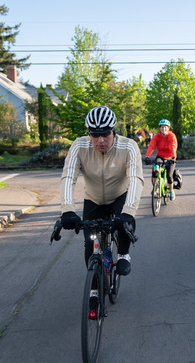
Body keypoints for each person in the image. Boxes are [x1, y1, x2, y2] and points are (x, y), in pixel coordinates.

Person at [60, 106, 144, 276]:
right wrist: (67, 210)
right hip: (93, 198)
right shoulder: (79, 145)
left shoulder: (129, 147)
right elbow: (68, 177)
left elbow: (136, 179)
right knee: (89, 245)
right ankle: (94, 285)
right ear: (89, 133)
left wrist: (128, 212)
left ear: (114, 132)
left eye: (105, 134)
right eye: (95, 134)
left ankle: (123, 254)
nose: (100, 140)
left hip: (119, 196)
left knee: (125, 225)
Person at [145, 119, 178, 200]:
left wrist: (173, 157)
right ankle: (155, 188)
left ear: (168, 128)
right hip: (160, 156)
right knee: (155, 172)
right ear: (160, 128)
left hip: (170, 157)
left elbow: (173, 146)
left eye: (165, 127)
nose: (164, 129)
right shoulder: (157, 137)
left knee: (169, 176)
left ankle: (171, 191)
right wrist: (147, 156)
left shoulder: (172, 136)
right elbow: (151, 146)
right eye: (162, 127)